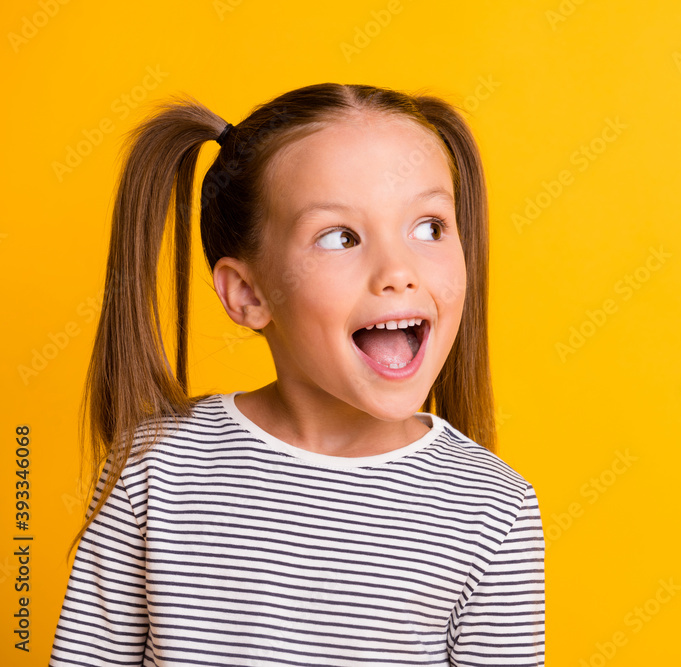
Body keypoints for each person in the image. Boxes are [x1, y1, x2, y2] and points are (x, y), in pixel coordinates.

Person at [49, 83, 545, 666]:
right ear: (249, 293)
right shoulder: (156, 468)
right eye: (341, 237)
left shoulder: (492, 509)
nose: (398, 271)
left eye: (429, 227)